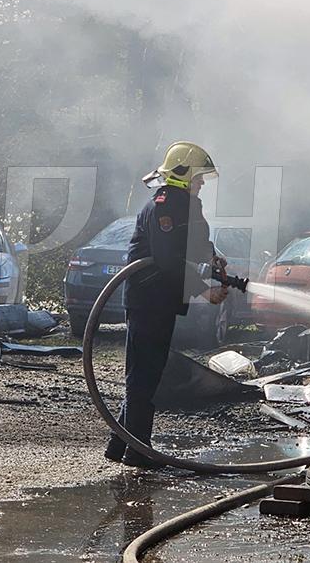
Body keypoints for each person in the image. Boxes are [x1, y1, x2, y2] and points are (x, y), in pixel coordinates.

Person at [105, 141, 229, 468]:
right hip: (148, 300)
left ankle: (121, 444)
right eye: (198, 177)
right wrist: (204, 291)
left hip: (161, 301)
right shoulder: (163, 204)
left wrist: (214, 258)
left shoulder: (186, 205)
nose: (202, 183)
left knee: (147, 373)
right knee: (142, 375)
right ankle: (138, 450)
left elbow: (195, 244)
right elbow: (167, 259)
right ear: (182, 174)